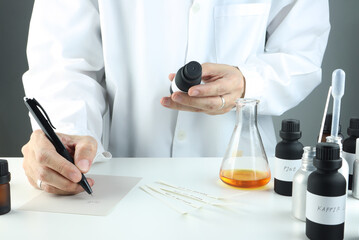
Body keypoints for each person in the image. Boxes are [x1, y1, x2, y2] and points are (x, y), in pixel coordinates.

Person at [22, 0, 330, 195]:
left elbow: (301, 51)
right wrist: (68, 138)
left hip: (240, 175)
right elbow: (64, 61)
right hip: (124, 177)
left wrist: (248, 81)